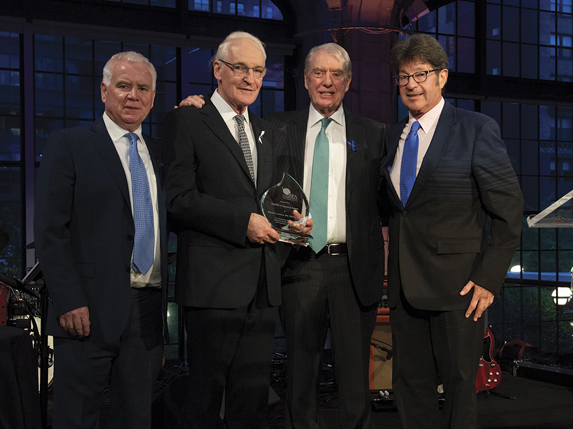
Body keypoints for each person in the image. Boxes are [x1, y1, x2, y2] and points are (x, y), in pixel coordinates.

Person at [177, 42, 386, 429]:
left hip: (354, 270)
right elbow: (231, 145)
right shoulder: (272, 128)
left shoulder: (374, 134)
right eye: (318, 74)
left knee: (355, 381)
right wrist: (199, 105)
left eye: (336, 74)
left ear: (349, 81)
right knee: (299, 376)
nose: (327, 82)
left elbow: (386, 202)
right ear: (305, 80)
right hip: (295, 266)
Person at [161, 31, 309, 429]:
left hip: (262, 287)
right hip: (212, 286)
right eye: (240, 68)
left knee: (252, 401)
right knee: (205, 400)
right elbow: (176, 200)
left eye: (258, 70)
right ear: (218, 70)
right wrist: (240, 222)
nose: (249, 78)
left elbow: (272, 202)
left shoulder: (267, 131)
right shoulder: (188, 120)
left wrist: (294, 225)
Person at [383, 34, 524, 429]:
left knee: (461, 387)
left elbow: (509, 211)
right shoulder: (392, 135)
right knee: (410, 387)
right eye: (403, 77)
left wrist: (489, 279)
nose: (411, 84)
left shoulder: (476, 129)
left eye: (421, 74)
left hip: (460, 289)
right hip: (403, 287)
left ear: (442, 77)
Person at [34, 51, 168, 429]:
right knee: (77, 417)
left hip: (147, 310)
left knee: (136, 418)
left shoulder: (160, 153)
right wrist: (70, 300)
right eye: (124, 86)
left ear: (153, 97)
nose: (133, 95)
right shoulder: (70, 144)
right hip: (85, 312)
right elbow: (49, 231)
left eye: (143, 88)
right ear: (104, 91)